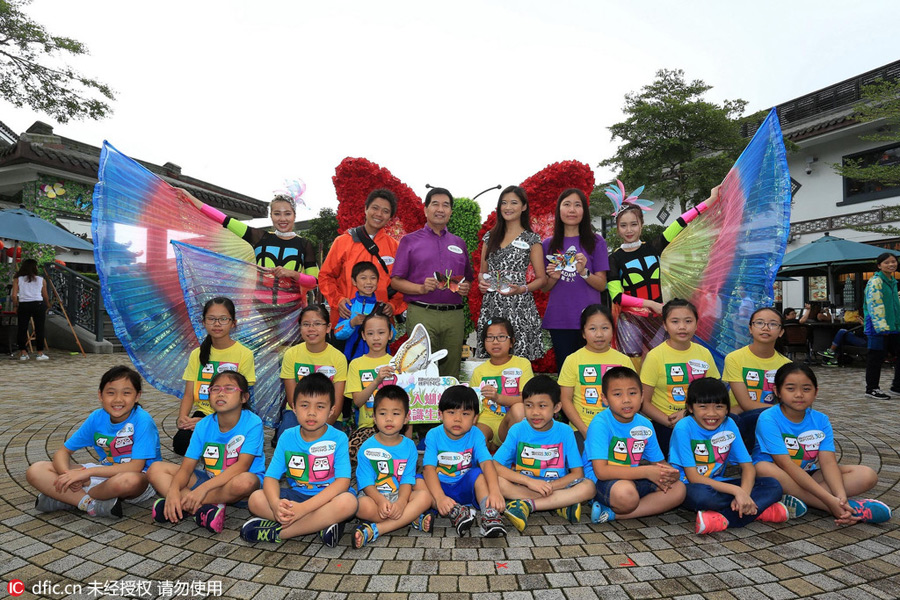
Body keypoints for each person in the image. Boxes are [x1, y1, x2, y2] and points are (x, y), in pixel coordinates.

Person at [754, 363, 891, 525]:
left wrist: (840, 496)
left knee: (867, 475)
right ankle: (842, 508)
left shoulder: (821, 420)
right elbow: (786, 465)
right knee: (763, 467)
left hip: (808, 474)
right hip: (778, 475)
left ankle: (799, 500)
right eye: (790, 389)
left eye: (806, 389)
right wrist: (830, 502)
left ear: (816, 392)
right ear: (777, 392)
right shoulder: (768, 418)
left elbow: (828, 462)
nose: (799, 394)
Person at [669, 378, 801, 535]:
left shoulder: (729, 424)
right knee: (701, 496)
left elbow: (748, 467)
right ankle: (760, 510)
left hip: (720, 485)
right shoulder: (683, 427)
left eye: (719, 407)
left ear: (727, 409)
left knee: (773, 485)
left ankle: (725, 518)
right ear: (690, 408)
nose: (711, 413)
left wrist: (743, 493)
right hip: (690, 486)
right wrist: (737, 492)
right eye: (703, 407)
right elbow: (693, 477)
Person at [26, 366, 160, 518]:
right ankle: (88, 503)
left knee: (128, 480)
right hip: (104, 474)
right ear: (100, 395)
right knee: (36, 470)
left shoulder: (142, 420)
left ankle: (67, 498)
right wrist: (69, 475)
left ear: (137, 396)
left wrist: (87, 474)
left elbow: (136, 466)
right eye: (111, 393)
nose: (118, 399)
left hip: (139, 479)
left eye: (126, 393)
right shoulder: (97, 417)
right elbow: (63, 452)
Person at [607, 184, 719, 364]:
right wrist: (651, 304)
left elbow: (680, 222)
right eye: (623, 225)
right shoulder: (614, 258)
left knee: (661, 362)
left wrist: (710, 201)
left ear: (641, 225)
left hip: (658, 318)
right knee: (633, 365)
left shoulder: (654, 247)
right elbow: (617, 297)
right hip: (630, 320)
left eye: (634, 224)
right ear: (617, 228)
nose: (629, 230)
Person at [240, 374, 358, 545]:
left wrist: (303, 510)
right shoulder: (287, 437)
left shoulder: (338, 438)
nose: (311, 412)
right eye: (304, 405)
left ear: (331, 410)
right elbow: (271, 478)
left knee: (348, 503)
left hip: (328, 499)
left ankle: (281, 532)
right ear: (294, 408)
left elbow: (342, 483)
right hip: (296, 497)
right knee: (256, 499)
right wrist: (275, 504)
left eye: (320, 406)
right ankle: (322, 523)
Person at [148, 372, 264, 533]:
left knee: (245, 481)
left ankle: (181, 505)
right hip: (210, 480)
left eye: (229, 388)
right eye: (215, 389)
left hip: (237, 488)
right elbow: (187, 468)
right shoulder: (203, 425)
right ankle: (200, 510)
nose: (221, 393)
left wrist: (200, 491)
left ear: (244, 397)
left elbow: (242, 466)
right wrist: (174, 489)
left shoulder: (253, 422)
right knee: (155, 469)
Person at [583, 366, 685, 523]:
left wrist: (672, 473)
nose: (626, 400)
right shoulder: (600, 423)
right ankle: (606, 502)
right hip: (602, 482)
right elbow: (601, 471)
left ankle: (612, 514)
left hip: (634, 477)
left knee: (679, 489)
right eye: (617, 394)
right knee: (626, 495)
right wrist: (646, 472)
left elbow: (659, 463)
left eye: (632, 393)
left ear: (642, 395)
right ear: (604, 399)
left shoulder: (645, 424)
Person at [183, 188, 318, 305]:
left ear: (294, 215)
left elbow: (314, 282)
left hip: (291, 311)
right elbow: (224, 220)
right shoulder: (260, 237)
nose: (282, 219)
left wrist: (292, 274)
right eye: (277, 213)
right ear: (271, 215)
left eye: (287, 213)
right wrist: (190, 198)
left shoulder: (304, 244)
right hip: (260, 310)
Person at [391, 187, 474, 378]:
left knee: (450, 373)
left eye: (446, 205)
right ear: (425, 209)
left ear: (451, 211)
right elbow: (396, 281)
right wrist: (420, 288)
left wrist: (465, 287)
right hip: (422, 312)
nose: (440, 209)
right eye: (435, 204)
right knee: (420, 371)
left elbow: (467, 279)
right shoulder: (409, 241)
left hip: (454, 316)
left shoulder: (459, 243)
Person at [495, 376, 595, 531]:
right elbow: (494, 465)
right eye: (529, 405)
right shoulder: (518, 429)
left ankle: (527, 505)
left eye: (542, 406)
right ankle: (560, 504)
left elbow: (577, 473)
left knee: (588, 486)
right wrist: (530, 482)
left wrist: (550, 486)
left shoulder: (565, 431)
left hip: (555, 487)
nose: (535, 412)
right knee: (496, 482)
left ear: (556, 408)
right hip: (525, 486)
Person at [352, 385, 435, 548]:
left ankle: (378, 529)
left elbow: (406, 480)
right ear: (374, 418)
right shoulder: (367, 448)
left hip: (400, 495)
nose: (389, 419)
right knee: (358, 506)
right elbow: (366, 483)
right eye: (383, 413)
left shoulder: (410, 446)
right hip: (374, 498)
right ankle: (411, 517)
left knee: (425, 497)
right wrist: (381, 501)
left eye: (396, 413)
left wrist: (402, 502)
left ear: (406, 418)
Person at [175, 297, 256, 456]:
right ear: (203, 322)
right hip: (204, 413)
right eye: (211, 319)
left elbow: (244, 398)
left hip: (233, 415)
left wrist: (209, 423)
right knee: (181, 443)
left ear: (233, 323)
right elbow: (189, 394)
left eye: (223, 319)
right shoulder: (196, 354)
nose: (217, 324)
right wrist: (183, 418)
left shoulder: (244, 354)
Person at [422, 386, 506, 537]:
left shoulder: (476, 434)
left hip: (465, 487)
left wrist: (495, 492)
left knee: (478, 474)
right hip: (439, 489)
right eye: (451, 412)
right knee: (419, 481)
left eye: (465, 414)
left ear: (475, 419)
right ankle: (456, 511)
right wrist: (440, 497)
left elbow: (487, 463)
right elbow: (429, 468)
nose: (458, 419)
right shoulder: (433, 434)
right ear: (440, 414)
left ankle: (489, 514)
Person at [640, 299, 720, 457]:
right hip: (665, 423)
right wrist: (669, 422)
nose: (682, 327)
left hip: (700, 418)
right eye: (675, 321)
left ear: (697, 324)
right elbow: (644, 402)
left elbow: (716, 394)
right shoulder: (655, 356)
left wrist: (689, 414)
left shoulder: (704, 353)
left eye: (688, 321)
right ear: (665, 325)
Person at [319, 188, 406, 330]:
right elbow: (325, 276)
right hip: (346, 319)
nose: (379, 214)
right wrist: (338, 301)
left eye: (385, 211)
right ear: (366, 209)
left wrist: (393, 305)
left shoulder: (396, 247)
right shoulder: (342, 242)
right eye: (375, 208)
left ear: (390, 217)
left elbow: (403, 283)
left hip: (379, 323)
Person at [476, 186, 546, 360]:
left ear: (523, 207)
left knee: (519, 360)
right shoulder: (489, 237)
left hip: (520, 305)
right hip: (493, 305)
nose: (508, 207)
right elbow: (482, 273)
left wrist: (521, 289)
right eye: (504, 203)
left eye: (514, 203)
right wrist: (483, 283)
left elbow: (542, 278)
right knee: (494, 357)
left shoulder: (532, 239)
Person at [542, 189, 609, 371]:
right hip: (560, 319)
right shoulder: (548, 244)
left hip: (590, 321)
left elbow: (602, 285)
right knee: (566, 373)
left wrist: (584, 272)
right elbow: (545, 288)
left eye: (577, 205)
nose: (572, 210)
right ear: (559, 210)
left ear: (584, 211)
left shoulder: (596, 242)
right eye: (567, 204)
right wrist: (553, 278)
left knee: (592, 372)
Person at [559, 305, 632, 444]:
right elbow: (565, 399)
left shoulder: (623, 360)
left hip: (618, 429)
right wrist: (584, 430)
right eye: (592, 329)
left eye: (605, 328)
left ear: (612, 330)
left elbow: (632, 395)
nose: (599, 334)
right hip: (582, 429)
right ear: (583, 333)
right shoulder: (572, 360)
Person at [723, 307, 791, 451]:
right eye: (759, 323)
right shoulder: (734, 358)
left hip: (772, 418)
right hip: (741, 418)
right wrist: (786, 409)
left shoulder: (787, 365)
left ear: (781, 332)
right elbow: (746, 404)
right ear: (750, 329)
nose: (766, 328)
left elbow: (788, 400)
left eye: (772, 324)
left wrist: (787, 409)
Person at [277, 305, 348, 440]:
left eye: (317, 324)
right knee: (288, 437)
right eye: (306, 324)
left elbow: (337, 403)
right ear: (300, 328)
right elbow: (292, 399)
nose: (311, 329)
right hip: (297, 412)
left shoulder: (338, 358)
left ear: (328, 328)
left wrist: (318, 430)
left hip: (328, 414)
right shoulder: (291, 354)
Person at [470, 318, 532, 450]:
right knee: (477, 440)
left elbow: (527, 399)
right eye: (490, 337)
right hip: (485, 420)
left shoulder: (523, 364)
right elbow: (472, 404)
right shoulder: (479, 371)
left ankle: (512, 453)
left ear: (512, 342)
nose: (495, 342)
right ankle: (491, 447)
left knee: (519, 408)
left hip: (510, 421)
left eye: (501, 337)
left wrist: (499, 398)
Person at [346, 312, 399, 460]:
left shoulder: (397, 364)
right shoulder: (356, 364)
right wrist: (377, 381)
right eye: (370, 333)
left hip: (394, 427)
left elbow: (407, 404)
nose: (376, 338)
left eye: (381, 333)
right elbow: (357, 402)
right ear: (363, 335)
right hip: (367, 427)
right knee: (351, 453)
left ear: (390, 334)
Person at [334, 261, 394, 362]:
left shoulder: (382, 307)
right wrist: (352, 323)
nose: (369, 282)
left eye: (373, 278)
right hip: (354, 359)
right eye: (363, 278)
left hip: (381, 360)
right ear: (354, 281)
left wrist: (382, 325)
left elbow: (392, 336)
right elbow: (338, 333)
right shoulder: (349, 306)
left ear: (378, 281)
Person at [863, 253, 900, 399]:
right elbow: (874, 305)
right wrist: (882, 327)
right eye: (887, 262)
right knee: (876, 357)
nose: (891, 264)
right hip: (877, 327)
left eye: (894, 261)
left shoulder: (892, 281)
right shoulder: (875, 282)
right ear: (879, 266)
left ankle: (897, 387)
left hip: (894, 326)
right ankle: (872, 389)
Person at [12, 258, 50, 361]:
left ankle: (23, 352)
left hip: (24, 304)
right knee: (39, 328)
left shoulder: (17, 279)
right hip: (38, 304)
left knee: (22, 328)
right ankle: (39, 352)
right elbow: (45, 295)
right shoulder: (41, 279)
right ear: (34, 268)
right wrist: (48, 304)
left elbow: (14, 296)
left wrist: (15, 306)